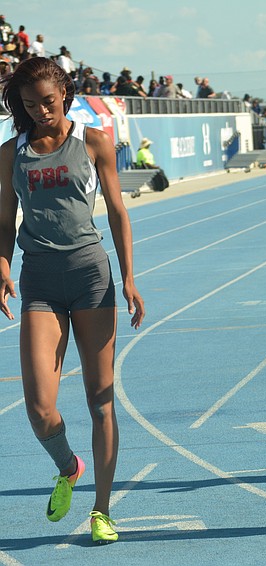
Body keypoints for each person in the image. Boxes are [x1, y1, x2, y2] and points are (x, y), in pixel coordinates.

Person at [0, 57, 145, 544]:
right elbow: (4, 221)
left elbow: (119, 213)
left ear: (64, 93)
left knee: (101, 402)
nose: (40, 111)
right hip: (39, 278)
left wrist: (128, 277)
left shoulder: (94, 142)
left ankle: (102, 511)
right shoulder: (10, 154)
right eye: (29, 104)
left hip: (90, 277)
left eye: (47, 100)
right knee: (40, 408)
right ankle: (69, 466)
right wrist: (1, 262)